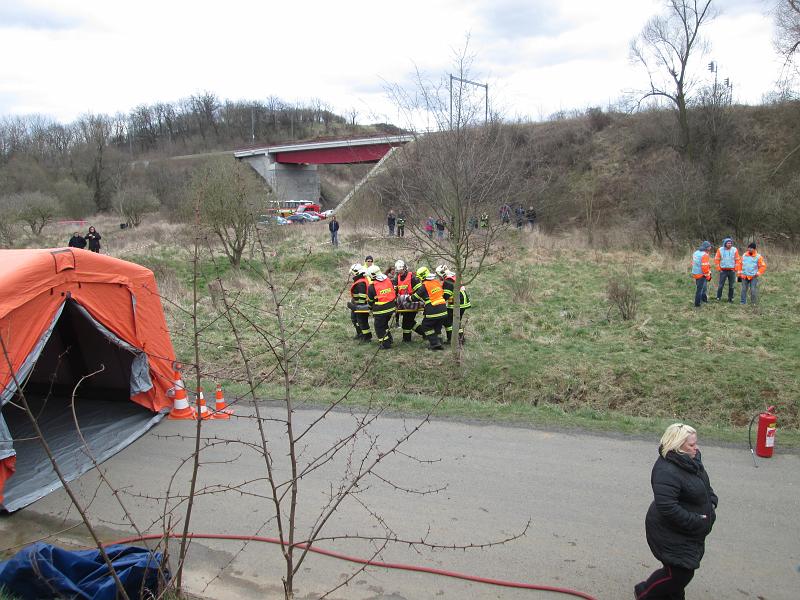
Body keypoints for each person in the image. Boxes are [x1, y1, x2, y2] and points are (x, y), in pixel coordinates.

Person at [634, 423, 717, 600]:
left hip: (687, 531)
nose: (696, 448)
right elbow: (667, 507)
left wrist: (712, 501)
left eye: (696, 443)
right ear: (678, 446)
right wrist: (697, 520)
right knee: (679, 574)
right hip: (668, 532)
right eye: (691, 445)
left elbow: (703, 484)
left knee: (679, 573)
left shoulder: (692, 461)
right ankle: (644, 593)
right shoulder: (666, 470)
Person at [411, 266, 447, 350]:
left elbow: (414, 298)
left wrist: (406, 298)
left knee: (426, 326)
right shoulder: (436, 282)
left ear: (422, 277)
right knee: (437, 327)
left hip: (433, 309)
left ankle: (434, 344)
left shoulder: (424, 286)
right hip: (443, 309)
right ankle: (439, 342)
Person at [436, 264, 471, 345]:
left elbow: (446, 295)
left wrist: (437, 301)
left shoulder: (448, 280)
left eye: (439, 275)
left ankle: (457, 340)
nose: (439, 278)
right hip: (461, 301)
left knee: (452, 320)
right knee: (452, 321)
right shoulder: (452, 275)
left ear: (442, 273)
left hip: (458, 302)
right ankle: (457, 339)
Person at [366, 265, 397, 349]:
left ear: (372, 275)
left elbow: (371, 301)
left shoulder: (372, 287)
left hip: (380, 311)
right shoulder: (388, 280)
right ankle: (389, 339)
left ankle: (385, 344)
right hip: (391, 308)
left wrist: (369, 308)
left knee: (379, 327)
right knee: (384, 325)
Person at [393, 260, 420, 342]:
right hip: (403, 303)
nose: (400, 273)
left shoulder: (413, 278)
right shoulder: (397, 278)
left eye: (401, 270)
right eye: (398, 271)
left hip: (413, 302)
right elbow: (395, 291)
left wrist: (411, 298)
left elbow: (419, 291)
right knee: (409, 322)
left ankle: (407, 340)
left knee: (407, 322)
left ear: (405, 268)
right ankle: (424, 333)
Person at [349, 264, 371, 342]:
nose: (352, 275)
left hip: (361, 306)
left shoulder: (361, 283)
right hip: (356, 305)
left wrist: (358, 307)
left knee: (362, 321)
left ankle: (367, 337)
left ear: (356, 272)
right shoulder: (359, 280)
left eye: (352, 273)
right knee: (355, 320)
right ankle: (360, 334)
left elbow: (362, 297)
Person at [714, 237, 740, 302]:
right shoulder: (720, 250)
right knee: (720, 285)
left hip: (732, 270)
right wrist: (719, 269)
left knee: (732, 285)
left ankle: (730, 298)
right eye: (728, 243)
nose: (730, 244)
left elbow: (737, 260)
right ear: (725, 243)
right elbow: (716, 260)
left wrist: (736, 268)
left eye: (731, 243)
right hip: (723, 270)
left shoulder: (734, 250)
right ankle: (718, 297)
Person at [690, 241, 712, 307]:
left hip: (695, 273)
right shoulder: (705, 255)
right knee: (699, 289)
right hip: (701, 274)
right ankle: (697, 304)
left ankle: (704, 299)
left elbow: (695, 263)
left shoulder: (696, 253)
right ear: (706, 248)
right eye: (709, 246)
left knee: (703, 287)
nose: (710, 247)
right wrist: (708, 276)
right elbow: (705, 268)